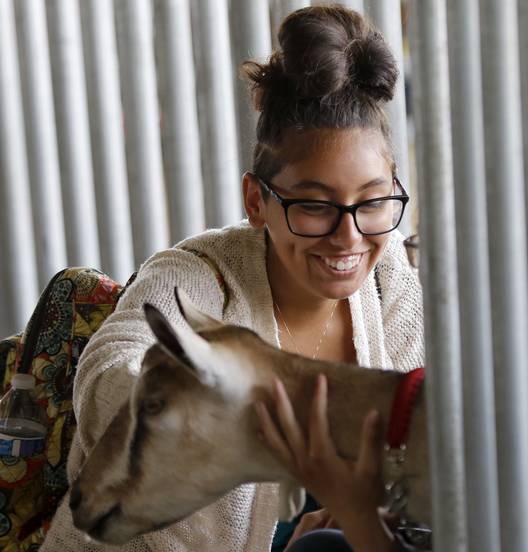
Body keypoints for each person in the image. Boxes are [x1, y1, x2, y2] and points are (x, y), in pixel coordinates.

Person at [40, 5, 424, 551]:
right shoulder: (199, 276)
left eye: (372, 201)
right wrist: (205, 403)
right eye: (314, 206)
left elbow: (412, 448)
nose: (349, 236)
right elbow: (110, 375)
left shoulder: (389, 282)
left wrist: (355, 515)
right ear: (256, 201)